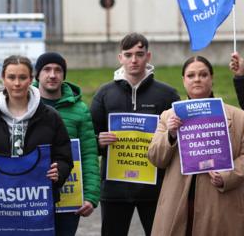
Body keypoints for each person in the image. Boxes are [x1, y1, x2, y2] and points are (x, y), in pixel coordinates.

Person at [0, 55, 73, 235]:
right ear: (3, 78)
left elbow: (64, 154)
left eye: (22, 78)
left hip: (37, 206)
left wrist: (59, 171)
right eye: (11, 77)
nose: (17, 83)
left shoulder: (50, 116)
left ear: (31, 79)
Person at [90, 33, 180, 236]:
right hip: (114, 189)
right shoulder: (104, 94)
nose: (134, 60)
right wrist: (99, 141)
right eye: (128, 54)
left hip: (155, 190)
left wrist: (170, 138)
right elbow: (89, 139)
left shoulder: (167, 95)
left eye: (139, 54)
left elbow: (177, 141)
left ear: (148, 56)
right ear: (120, 58)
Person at [148, 56, 244, 236]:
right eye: (191, 75)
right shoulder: (168, 116)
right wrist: (170, 134)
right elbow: (155, 158)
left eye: (203, 74)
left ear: (212, 78)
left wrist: (228, 175)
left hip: (220, 204)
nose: (197, 79)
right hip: (178, 203)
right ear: (183, 81)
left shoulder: (238, 117)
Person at [34, 52, 100, 236]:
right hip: (31, 196)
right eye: (47, 69)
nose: (52, 74)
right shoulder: (24, 103)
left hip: (69, 198)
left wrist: (91, 196)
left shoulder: (79, 110)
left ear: (64, 75)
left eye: (58, 70)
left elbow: (88, 154)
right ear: (37, 74)